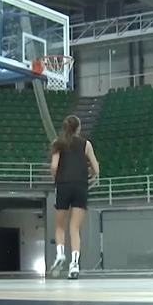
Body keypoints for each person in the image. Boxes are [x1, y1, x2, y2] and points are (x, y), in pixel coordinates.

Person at [49, 115, 100, 280]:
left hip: (63, 184)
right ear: (78, 128)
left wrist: (56, 179)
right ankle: (74, 265)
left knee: (59, 227)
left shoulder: (58, 144)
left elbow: (54, 166)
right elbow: (96, 168)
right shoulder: (86, 145)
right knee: (75, 228)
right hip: (80, 185)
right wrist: (89, 177)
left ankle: (60, 254)